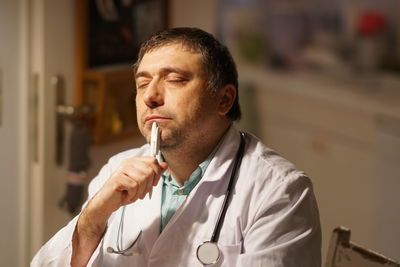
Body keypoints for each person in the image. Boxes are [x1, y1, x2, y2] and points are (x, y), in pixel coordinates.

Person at [32, 27, 321, 267]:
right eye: (142, 84)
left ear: (224, 100)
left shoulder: (280, 191)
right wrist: (93, 217)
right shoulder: (116, 170)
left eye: (175, 80)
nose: (151, 96)